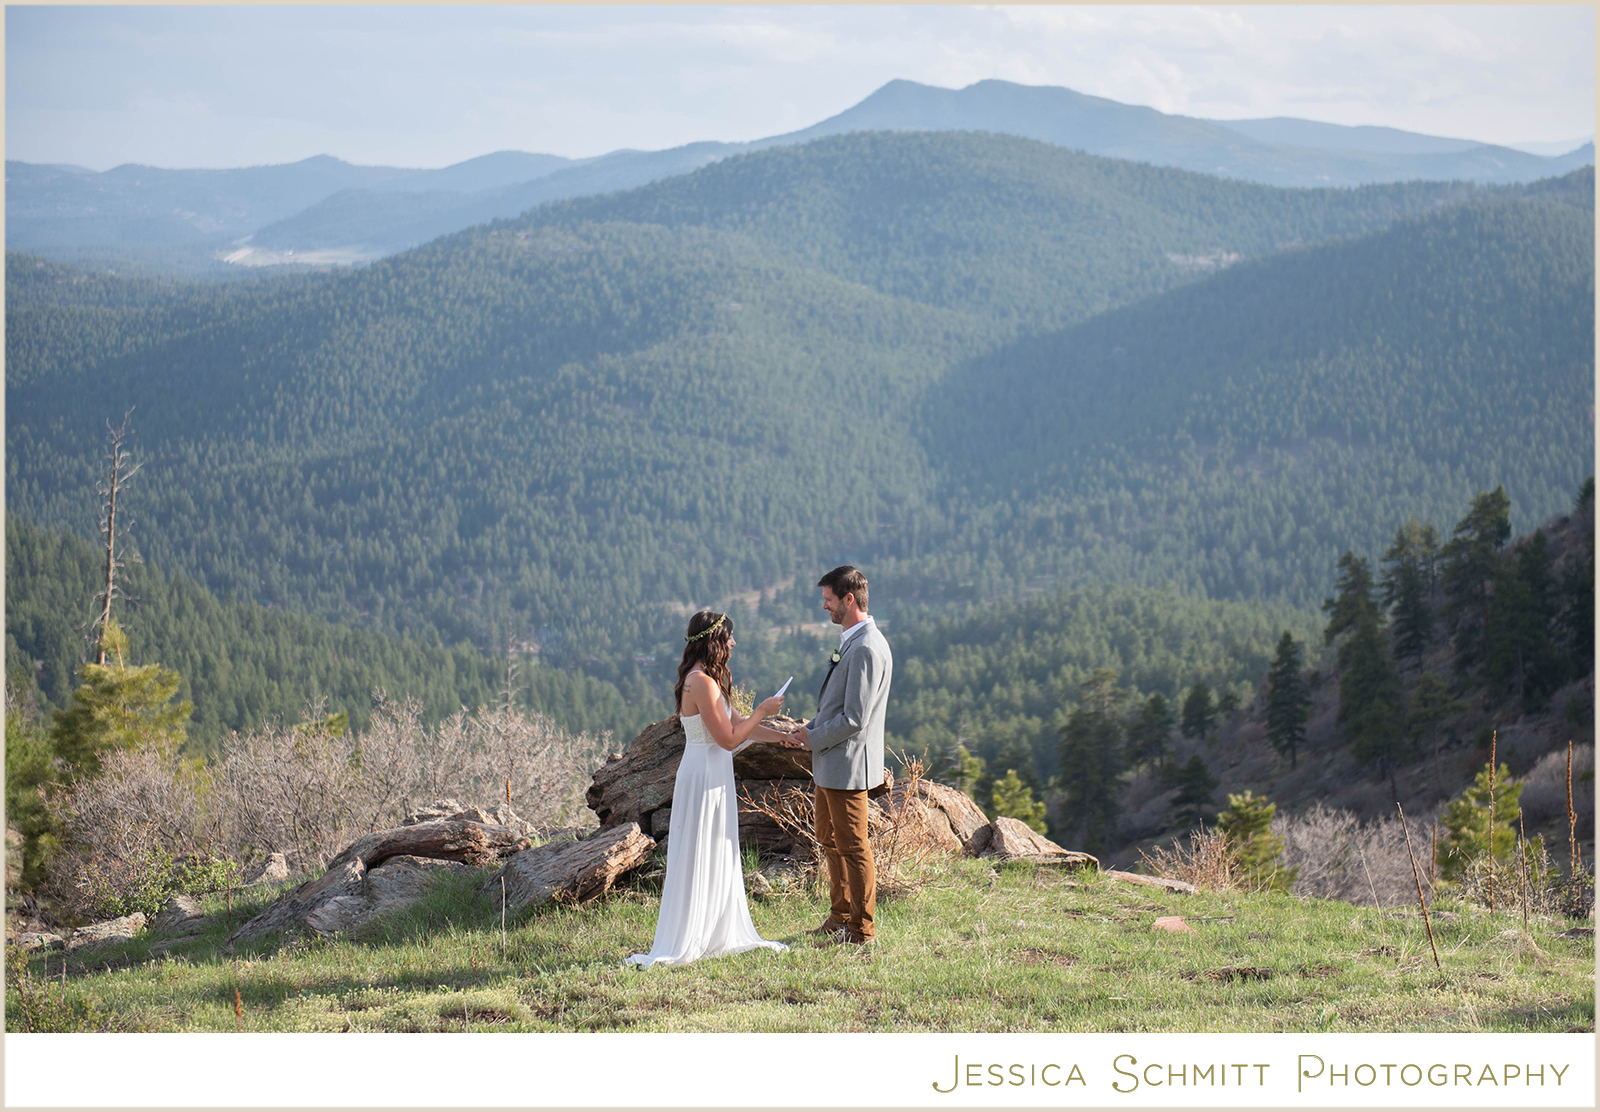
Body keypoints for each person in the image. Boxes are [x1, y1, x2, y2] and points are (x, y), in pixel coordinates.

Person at [625, 608, 795, 968]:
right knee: (700, 848)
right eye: (729, 636)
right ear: (715, 640)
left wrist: (782, 739)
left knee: (716, 847)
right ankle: (692, 935)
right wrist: (763, 710)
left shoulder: (707, 679)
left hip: (712, 771)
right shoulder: (701, 681)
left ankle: (714, 929)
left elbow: (738, 727)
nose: (733, 642)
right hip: (703, 773)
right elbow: (730, 738)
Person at [788, 565, 893, 946]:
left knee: (853, 845)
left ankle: (862, 930)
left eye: (828, 600)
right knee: (829, 839)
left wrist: (813, 738)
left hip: (848, 766)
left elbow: (854, 719)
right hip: (831, 765)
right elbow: (835, 706)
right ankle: (840, 915)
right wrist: (808, 730)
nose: (824, 607)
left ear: (849, 600)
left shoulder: (866, 648)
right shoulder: (852, 641)